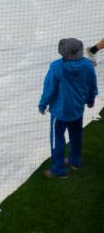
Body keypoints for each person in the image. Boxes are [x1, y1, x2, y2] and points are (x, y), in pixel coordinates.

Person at [38, 38, 98, 178]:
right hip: (77, 110)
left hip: (59, 112)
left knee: (57, 140)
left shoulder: (56, 66)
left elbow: (49, 88)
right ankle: (74, 161)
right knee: (76, 136)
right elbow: (92, 84)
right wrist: (91, 99)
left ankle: (59, 169)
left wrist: (43, 104)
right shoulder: (88, 65)